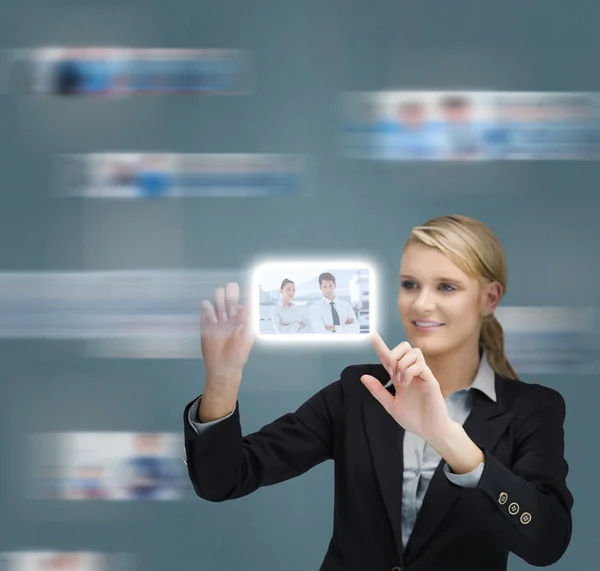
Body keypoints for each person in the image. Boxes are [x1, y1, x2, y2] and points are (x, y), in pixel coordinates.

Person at [183, 214, 573, 571]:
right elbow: (224, 480)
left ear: (489, 298)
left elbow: (546, 542)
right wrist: (223, 378)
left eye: (447, 286)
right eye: (410, 285)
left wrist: (448, 439)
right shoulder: (358, 393)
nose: (422, 303)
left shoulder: (531, 409)